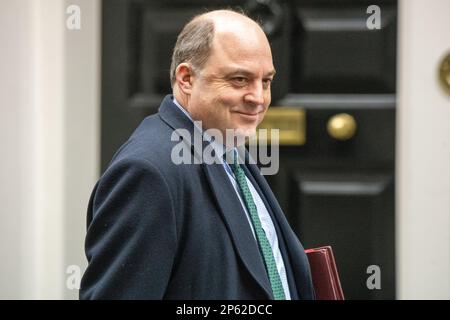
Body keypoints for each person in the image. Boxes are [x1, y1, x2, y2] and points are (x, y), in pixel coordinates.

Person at [80, 9, 315, 300]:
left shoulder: (227, 145)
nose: (258, 98)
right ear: (187, 78)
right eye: (239, 79)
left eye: (265, 81)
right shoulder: (147, 172)